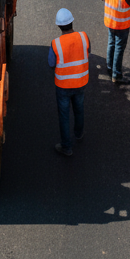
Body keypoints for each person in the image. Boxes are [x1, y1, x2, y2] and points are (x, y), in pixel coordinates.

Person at [49, 8, 89, 157]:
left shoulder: (55, 43)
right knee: (79, 109)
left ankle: (66, 147)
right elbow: (87, 51)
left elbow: (51, 63)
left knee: (64, 116)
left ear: (58, 26)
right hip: (81, 82)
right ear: (72, 22)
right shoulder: (84, 37)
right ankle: (79, 134)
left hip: (63, 86)